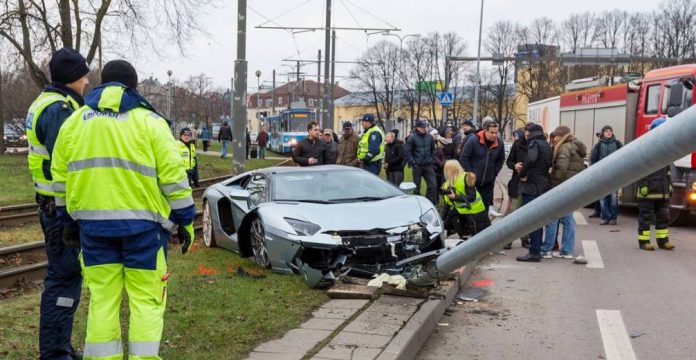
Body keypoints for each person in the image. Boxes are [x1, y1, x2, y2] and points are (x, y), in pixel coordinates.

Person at [51, 60, 196, 359]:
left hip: (92, 231)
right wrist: (186, 222)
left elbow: (60, 179)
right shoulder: (151, 123)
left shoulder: (74, 123)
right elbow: (174, 180)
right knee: (146, 302)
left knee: (103, 301)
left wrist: (67, 220)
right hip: (144, 232)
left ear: (103, 83)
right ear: (133, 87)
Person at [25, 47, 89, 360]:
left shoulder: (46, 102)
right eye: (83, 74)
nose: (88, 80)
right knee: (64, 277)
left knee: (65, 275)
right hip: (58, 207)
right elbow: (68, 160)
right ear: (71, 77)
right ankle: (54, 352)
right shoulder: (60, 109)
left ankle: (60, 346)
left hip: (50, 202)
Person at [540, 125, 587, 259]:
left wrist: (553, 182)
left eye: (555, 137)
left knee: (552, 218)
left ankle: (546, 249)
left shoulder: (565, 147)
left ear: (560, 136)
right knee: (568, 219)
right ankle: (567, 250)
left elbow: (561, 168)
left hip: (562, 187)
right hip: (572, 187)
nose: (553, 140)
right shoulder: (576, 146)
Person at [515, 123, 553, 262]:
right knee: (538, 219)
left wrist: (522, 174)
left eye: (527, 133)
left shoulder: (534, 144)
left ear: (531, 133)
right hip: (543, 184)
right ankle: (536, 248)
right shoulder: (546, 144)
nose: (526, 136)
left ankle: (534, 251)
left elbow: (531, 159)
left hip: (532, 186)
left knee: (532, 219)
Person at [636, 117, 674, 251]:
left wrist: (669, 185)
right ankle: (644, 242)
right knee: (645, 218)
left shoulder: (665, 147)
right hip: (649, 190)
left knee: (663, 217)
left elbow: (667, 170)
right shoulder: (647, 146)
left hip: (662, 190)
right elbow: (641, 169)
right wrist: (644, 185)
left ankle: (663, 242)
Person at [459, 118, 505, 212]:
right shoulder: (474, 140)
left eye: (496, 133)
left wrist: (494, 172)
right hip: (473, 182)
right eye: (492, 132)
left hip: (488, 183)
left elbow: (501, 159)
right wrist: (470, 173)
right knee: (472, 206)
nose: (494, 135)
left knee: (485, 206)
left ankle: (484, 226)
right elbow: (464, 158)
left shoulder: (499, 143)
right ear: (485, 131)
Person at [441, 160, 490, 238]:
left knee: (479, 232)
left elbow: (472, 197)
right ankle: (462, 234)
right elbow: (446, 204)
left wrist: (455, 197)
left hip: (475, 210)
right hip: (464, 209)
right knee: (451, 215)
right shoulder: (447, 184)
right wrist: (440, 220)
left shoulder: (466, 178)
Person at [590, 125, 623, 225]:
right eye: (607, 131)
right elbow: (593, 160)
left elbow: (624, 156)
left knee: (613, 198)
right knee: (603, 198)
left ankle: (613, 218)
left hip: (614, 175)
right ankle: (605, 217)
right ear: (603, 133)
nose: (609, 132)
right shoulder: (598, 145)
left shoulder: (617, 143)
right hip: (602, 175)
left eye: (610, 131)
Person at [503, 128, 530, 250]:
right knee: (514, 212)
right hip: (517, 183)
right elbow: (509, 162)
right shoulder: (517, 145)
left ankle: (525, 239)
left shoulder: (536, 145)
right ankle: (508, 240)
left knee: (527, 213)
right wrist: (515, 165)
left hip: (530, 184)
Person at [405, 120, 438, 204]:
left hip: (428, 165)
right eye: (423, 127)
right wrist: (414, 163)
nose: (425, 128)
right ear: (418, 128)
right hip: (417, 166)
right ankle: (417, 204)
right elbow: (408, 152)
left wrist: (431, 160)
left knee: (433, 185)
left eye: (426, 127)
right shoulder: (412, 137)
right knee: (416, 187)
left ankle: (430, 203)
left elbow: (433, 151)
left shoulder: (429, 137)